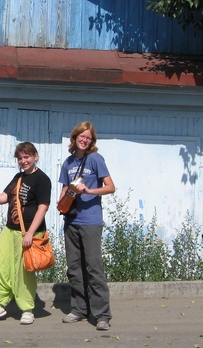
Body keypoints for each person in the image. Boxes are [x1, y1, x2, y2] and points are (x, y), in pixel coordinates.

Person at [0, 142, 51, 325]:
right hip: (10, 230)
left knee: (23, 272)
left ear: (35, 156)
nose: (24, 161)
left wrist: (30, 233)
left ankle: (27, 309)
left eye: (27, 157)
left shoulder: (42, 179)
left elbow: (43, 207)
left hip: (29, 232)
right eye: (20, 158)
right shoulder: (18, 177)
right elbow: (3, 198)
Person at [57, 121, 115, 331]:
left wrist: (89, 192)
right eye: (81, 136)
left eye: (88, 137)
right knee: (74, 268)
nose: (84, 140)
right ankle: (79, 309)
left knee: (93, 267)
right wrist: (61, 201)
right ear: (74, 138)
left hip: (90, 221)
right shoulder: (68, 163)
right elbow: (64, 189)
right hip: (71, 220)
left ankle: (101, 315)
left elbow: (110, 187)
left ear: (92, 141)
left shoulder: (95, 159)